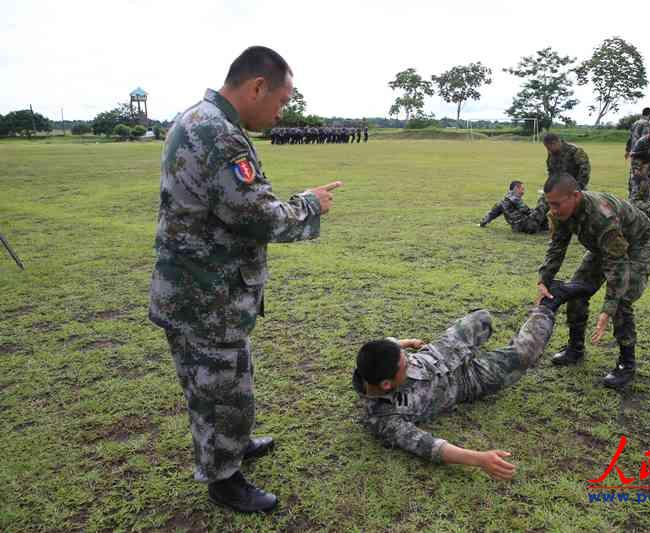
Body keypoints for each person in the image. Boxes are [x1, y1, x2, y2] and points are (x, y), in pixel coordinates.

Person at [148, 46, 343, 514]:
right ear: (257, 86)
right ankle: (224, 479)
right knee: (216, 388)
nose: (282, 112)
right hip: (204, 294)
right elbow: (261, 218)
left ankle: (233, 444)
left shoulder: (198, 118)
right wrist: (310, 203)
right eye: (281, 100)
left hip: (203, 288)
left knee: (228, 380)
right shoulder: (220, 135)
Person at [353, 281, 593, 477]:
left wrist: (410, 344)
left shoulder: (376, 359)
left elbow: (391, 343)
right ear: (386, 385)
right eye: (405, 364)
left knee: (482, 318)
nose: (407, 359)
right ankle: (548, 306)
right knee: (523, 355)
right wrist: (479, 458)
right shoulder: (383, 417)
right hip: (466, 382)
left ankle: (540, 305)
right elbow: (430, 446)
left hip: (441, 351)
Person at [537, 174, 650, 388]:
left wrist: (606, 310)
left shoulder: (602, 216)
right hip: (602, 246)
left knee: (621, 302)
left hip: (638, 244)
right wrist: (544, 279)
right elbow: (557, 246)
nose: (553, 210)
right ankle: (575, 348)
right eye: (550, 204)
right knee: (576, 289)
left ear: (575, 196)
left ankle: (626, 365)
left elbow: (617, 265)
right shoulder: (558, 212)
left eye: (557, 204)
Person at [480, 180, 547, 234]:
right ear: (516, 188)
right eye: (522, 189)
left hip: (517, 228)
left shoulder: (502, 202)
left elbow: (492, 214)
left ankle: (546, 227)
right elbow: (527, 211)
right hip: (529, 226)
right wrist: (542, 197)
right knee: (542, 205)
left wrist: (482, 223)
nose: (523, 192)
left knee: (541, 214)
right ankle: (545, 194)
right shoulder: (515, 199)